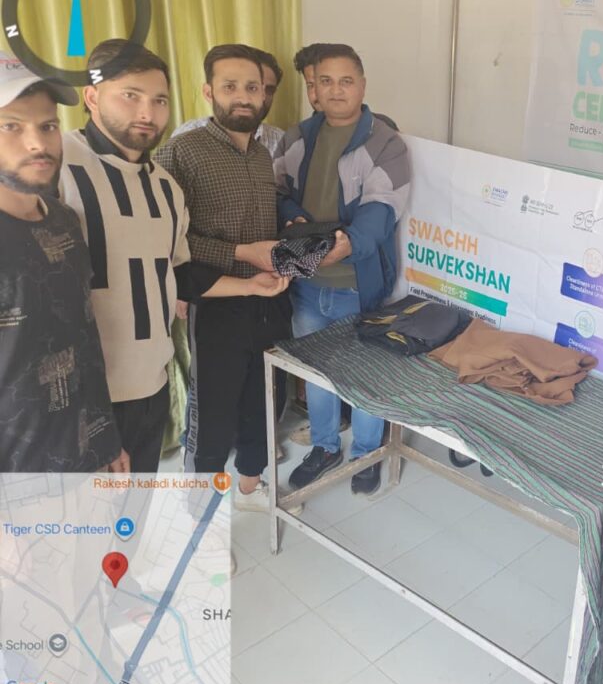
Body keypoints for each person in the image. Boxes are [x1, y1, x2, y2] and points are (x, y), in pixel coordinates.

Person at [155, 44, 295, 511]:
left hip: (269, 298)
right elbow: (168, 238)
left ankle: (251, 487)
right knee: (213, 411)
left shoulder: (262, 155)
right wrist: (239, 253)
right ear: (208, 91)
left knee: (265, 398)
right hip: (216, 301)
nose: (243, 96)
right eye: (230, 86)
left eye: (252, 87)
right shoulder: (182, 152)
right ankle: (198, 507)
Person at [276, 43, 410, 493]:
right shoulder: (296, 138)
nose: (336, 90)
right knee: (318, 373)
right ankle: (325, 446)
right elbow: (278, 191)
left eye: (346, 81)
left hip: (358, 282)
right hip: (307, 283)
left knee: (363, 375)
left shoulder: (386, 143)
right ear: (314, 87)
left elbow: (382, 209)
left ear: (362, 86)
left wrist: (346, 246)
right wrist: (293, 219)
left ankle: (367, 453)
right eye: (326, 81)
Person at [59, 39, 190, 473]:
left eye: (159, 100)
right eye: (130, 95)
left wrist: (255, 280)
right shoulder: (56, 164)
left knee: (137, 506)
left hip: (151, 386)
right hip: (79, 402)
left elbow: (175, 273)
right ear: (92, 97)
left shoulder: (167, 187)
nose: (147, 113)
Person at [0, 53, 124, 472]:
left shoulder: (64, 221)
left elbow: (82, 336)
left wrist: (105, 440)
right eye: (11, 127)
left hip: (80, 455)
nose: (37, 144)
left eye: (48, 126)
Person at [172, 47, 285, 157]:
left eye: (267, 90)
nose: (246, 98)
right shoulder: (186, 137)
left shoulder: (281, 141)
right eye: (230, 87)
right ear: (209, 93)